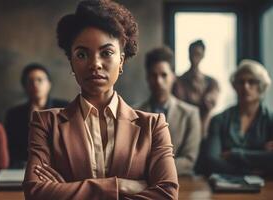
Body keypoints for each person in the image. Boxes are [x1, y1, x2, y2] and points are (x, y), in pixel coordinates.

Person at [22, 1, 179, 199]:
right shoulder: (45, 124)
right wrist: (120, 186)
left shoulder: (153, 126)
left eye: (106, 53)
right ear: (71, 62)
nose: (95, 64)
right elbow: (35, 193)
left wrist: (68, 190)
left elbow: (167, 194)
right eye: (82, 54)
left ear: (121, 61)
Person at [138, 46, 201, 176]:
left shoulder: (190, 114)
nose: (158, 81)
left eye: (164, 75)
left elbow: (189, 160)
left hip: (180, 183)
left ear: (173, 77)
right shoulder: (134, 113)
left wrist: (153, 169)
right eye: (153, 76)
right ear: (147, 78)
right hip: (142, 185)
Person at [205, 59, 273, 176]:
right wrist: (253, 168)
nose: (245, 86)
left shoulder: (270, 120)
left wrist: (234, 154)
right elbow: (212, 160)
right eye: (241, 82)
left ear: (261, 86)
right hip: (224, 186)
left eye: (252, 82)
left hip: (265, 187)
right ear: (235, 86)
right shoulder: (219, 120)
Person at [5, 63, 68, 168]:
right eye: (30, 81)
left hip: (58, 167)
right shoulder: (14, 115)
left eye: (40, 80)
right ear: (24, 86)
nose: (35, 84)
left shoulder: (65, 108)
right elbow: (12, 150)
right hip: (24, 168)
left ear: (49, 84)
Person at [173, 40, 219, 137]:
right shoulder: (178, 81)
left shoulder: (212, 83)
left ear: (203, 55)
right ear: (188, 54)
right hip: (183, 129)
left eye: (198, 54)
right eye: (192, 53)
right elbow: (178, 106)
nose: (194, 57)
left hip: (205, 130)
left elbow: (209, 103)